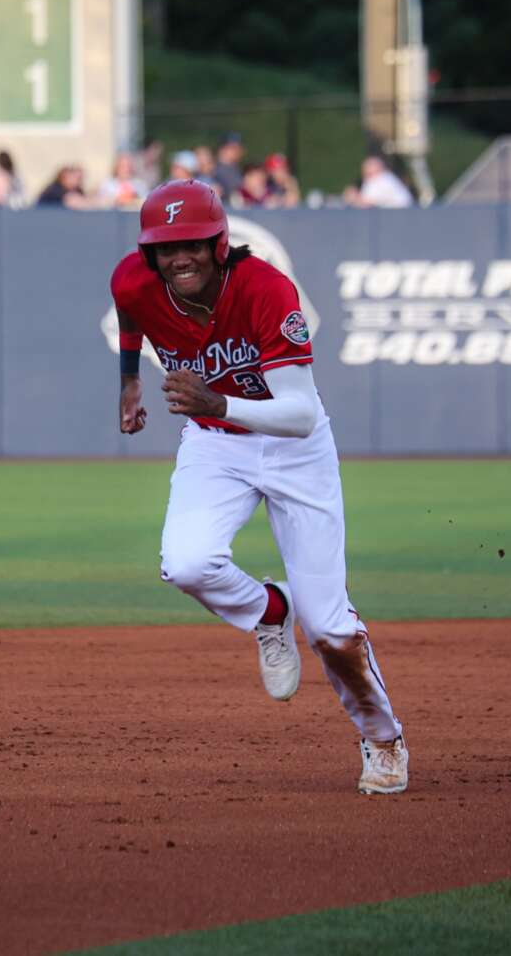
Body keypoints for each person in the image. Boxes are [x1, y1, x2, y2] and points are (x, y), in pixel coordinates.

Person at [109, 179, 409, 795]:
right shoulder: (133, 281)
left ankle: (382, 737)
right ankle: (270, 610)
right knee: (188, 563)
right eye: (165, 248)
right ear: (149, 255)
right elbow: (130, 310)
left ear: (219, 242)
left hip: (296, 449)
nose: (179, 257)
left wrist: (215, 397)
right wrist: (130, 380)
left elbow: (298, 413)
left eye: (191, 243)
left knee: (330, 630)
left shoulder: (268, 290)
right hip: (216, 444)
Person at [344, 155, 413, 208]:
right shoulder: (381, 179)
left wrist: (353, 197)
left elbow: (366, 203)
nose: (365, 172)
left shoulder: (383, 179)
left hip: (398, 217)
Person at [214, 132, 245, 200]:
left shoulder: (237, 169)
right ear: (222, 149)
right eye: (233, 148)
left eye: (238, 148)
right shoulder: (214, 171)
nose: (237, 151)